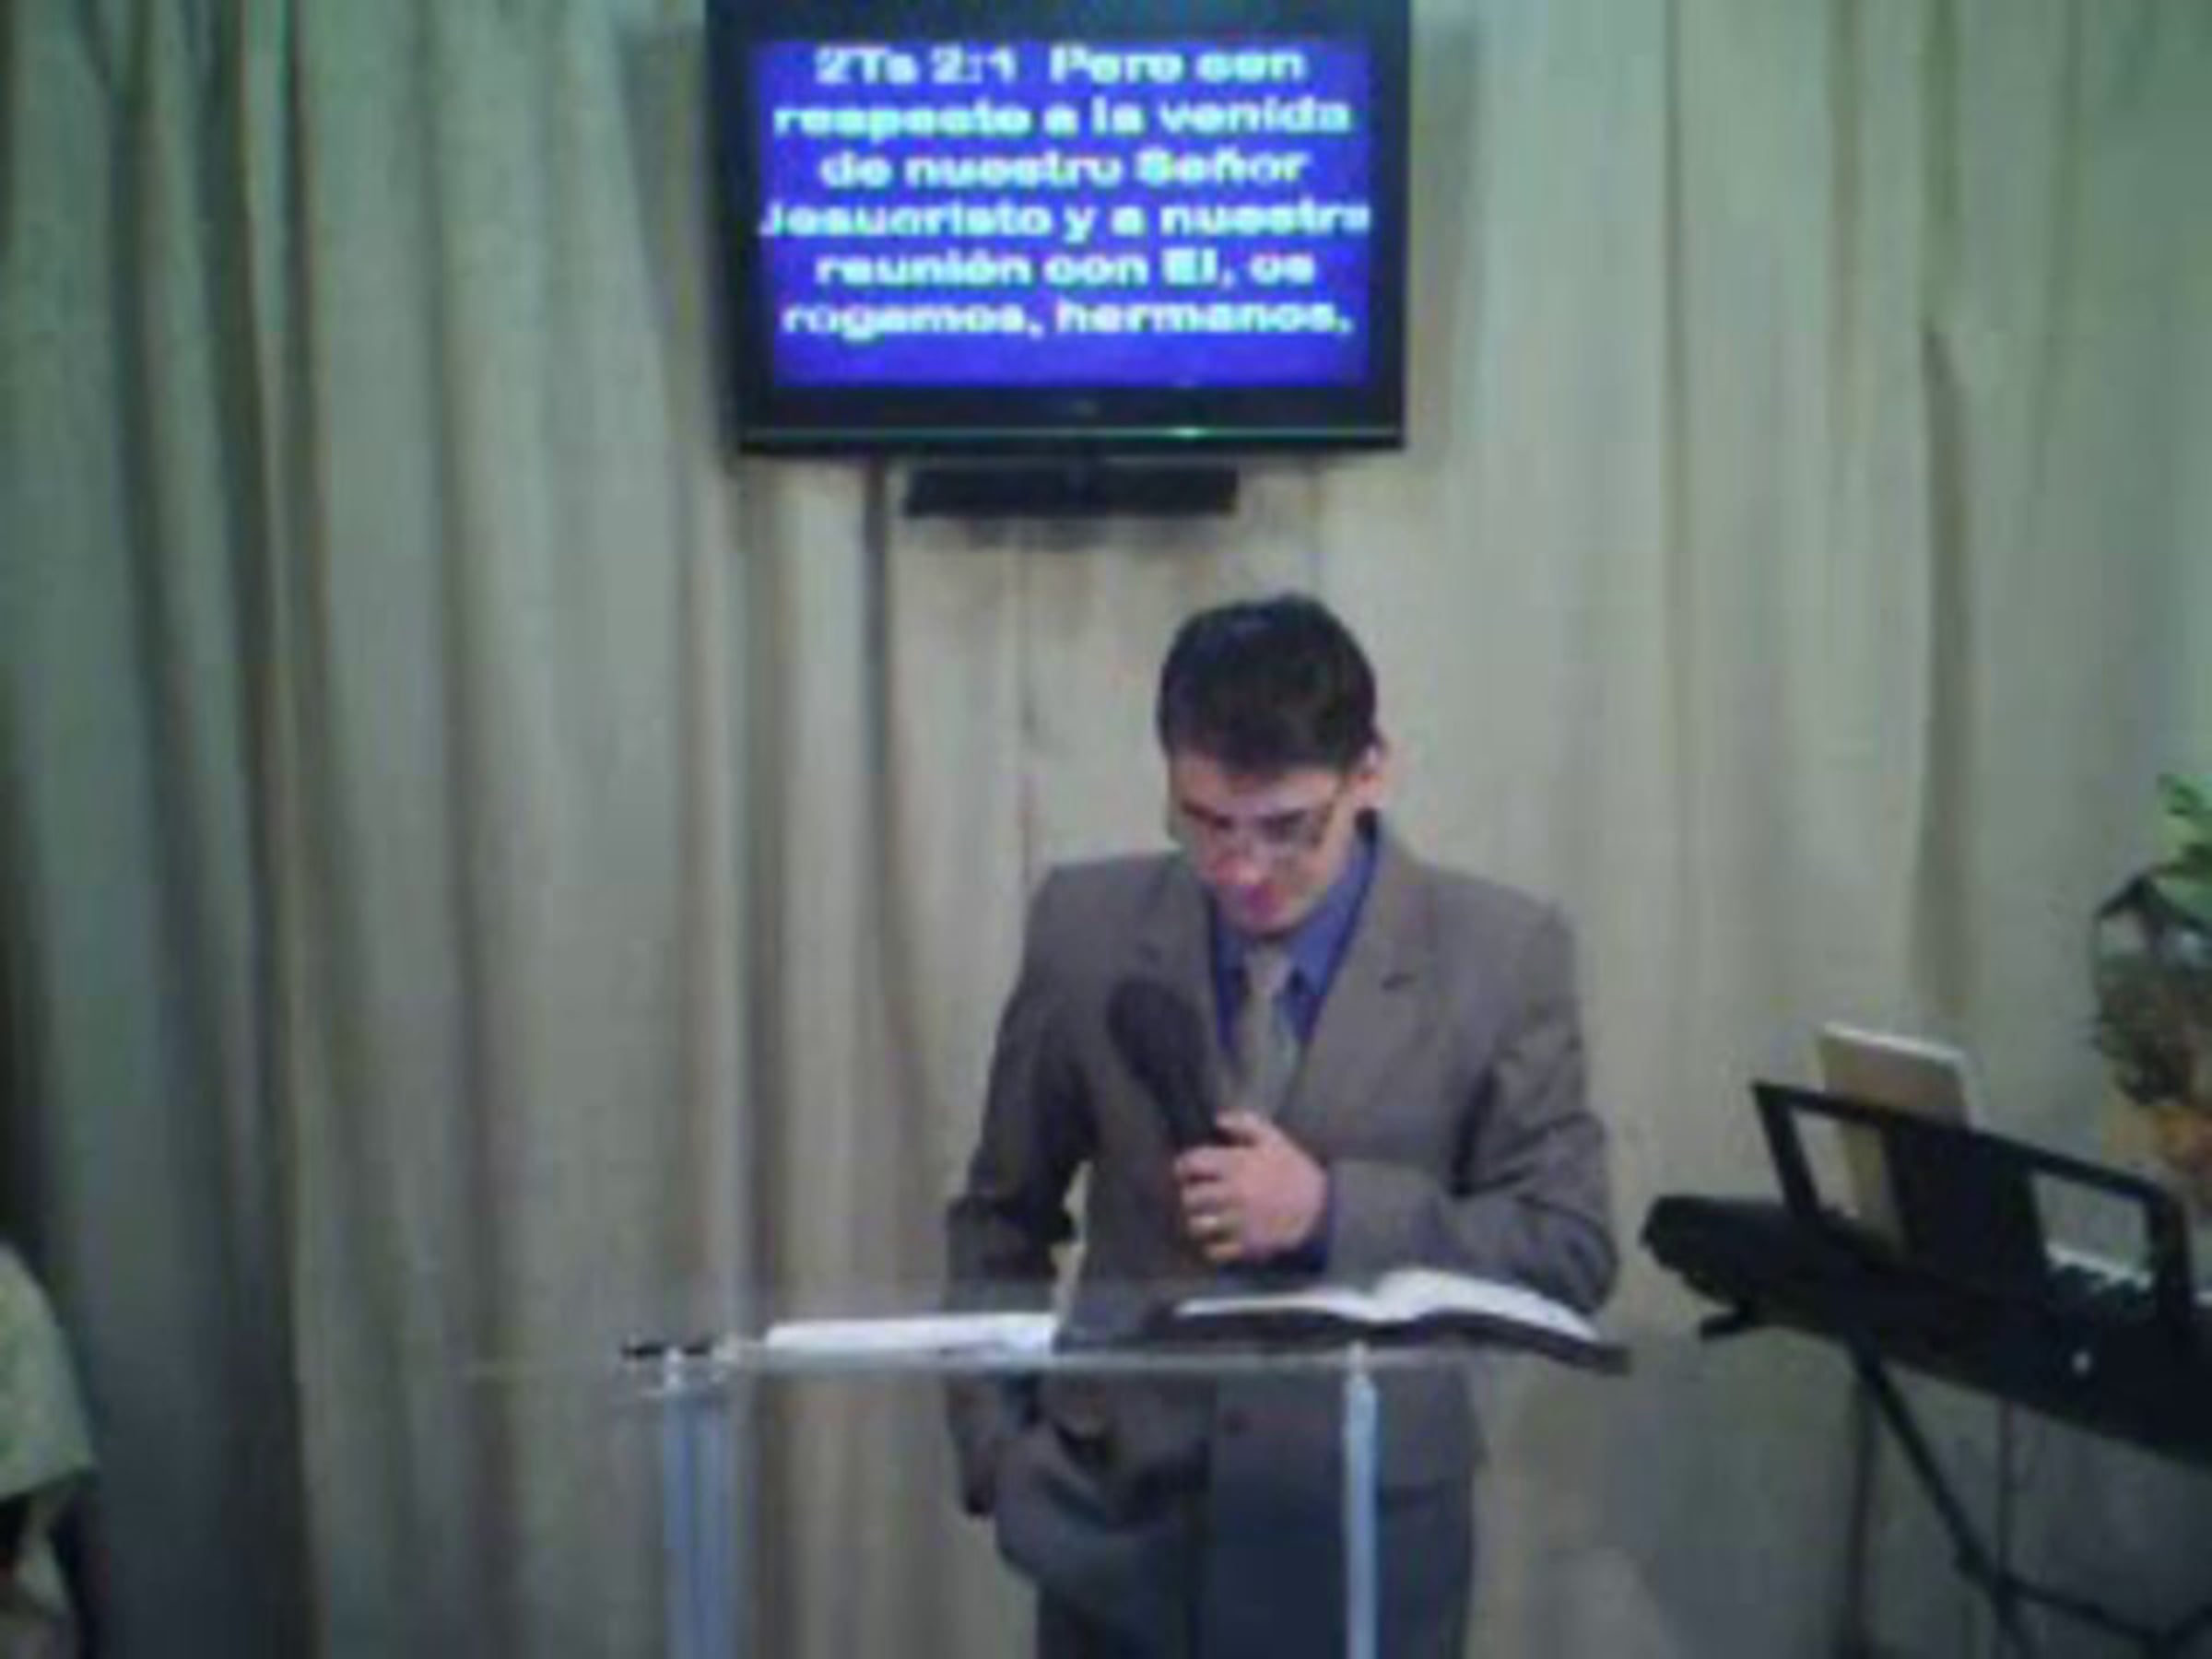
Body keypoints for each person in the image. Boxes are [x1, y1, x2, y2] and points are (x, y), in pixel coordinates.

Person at [945, 594, 1614, 1658]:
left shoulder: (1501, 953)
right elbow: (999, 1215)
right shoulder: (1084, 929)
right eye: (1205, 823)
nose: (1243, 869)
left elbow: (1568, 1247)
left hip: (1361, 1544)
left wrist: (1331, 1213)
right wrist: (999, 1452)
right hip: (1111, 1540)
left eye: (1287, 828)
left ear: (1370, 772)